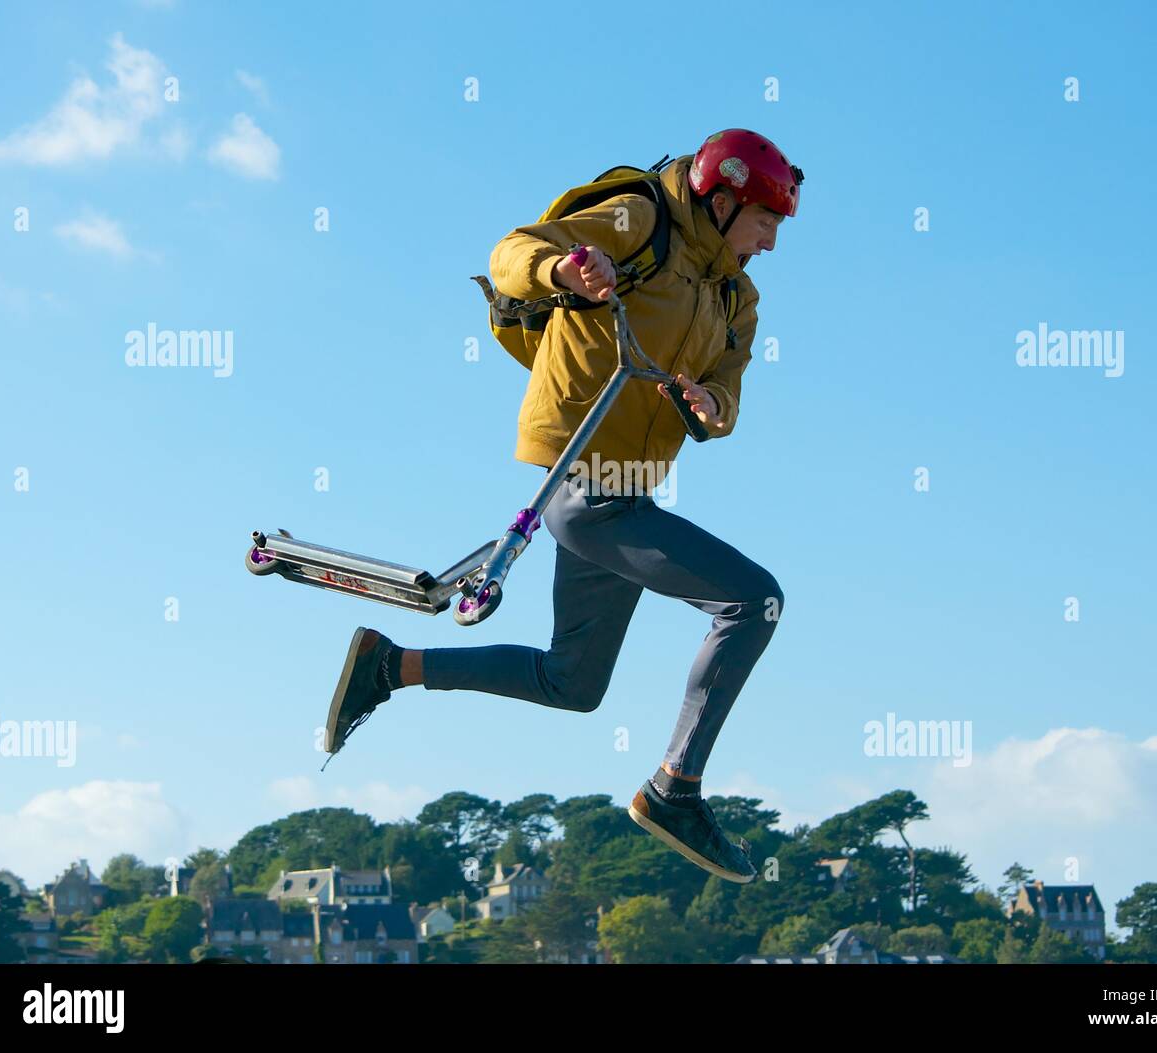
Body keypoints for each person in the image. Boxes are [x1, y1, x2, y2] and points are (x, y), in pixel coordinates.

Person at [322, 129, 803, 883]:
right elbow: (514, 250)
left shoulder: (737, 299)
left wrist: (714, 404)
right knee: (754, 600)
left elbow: (729, 391)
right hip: (583, 482)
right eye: (765, 223)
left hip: (628, 489)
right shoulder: (641, 218)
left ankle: (388, 667)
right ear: (722, 196)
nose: (771, 243)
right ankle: (675, 788)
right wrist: (565, 267)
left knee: (572, 683)